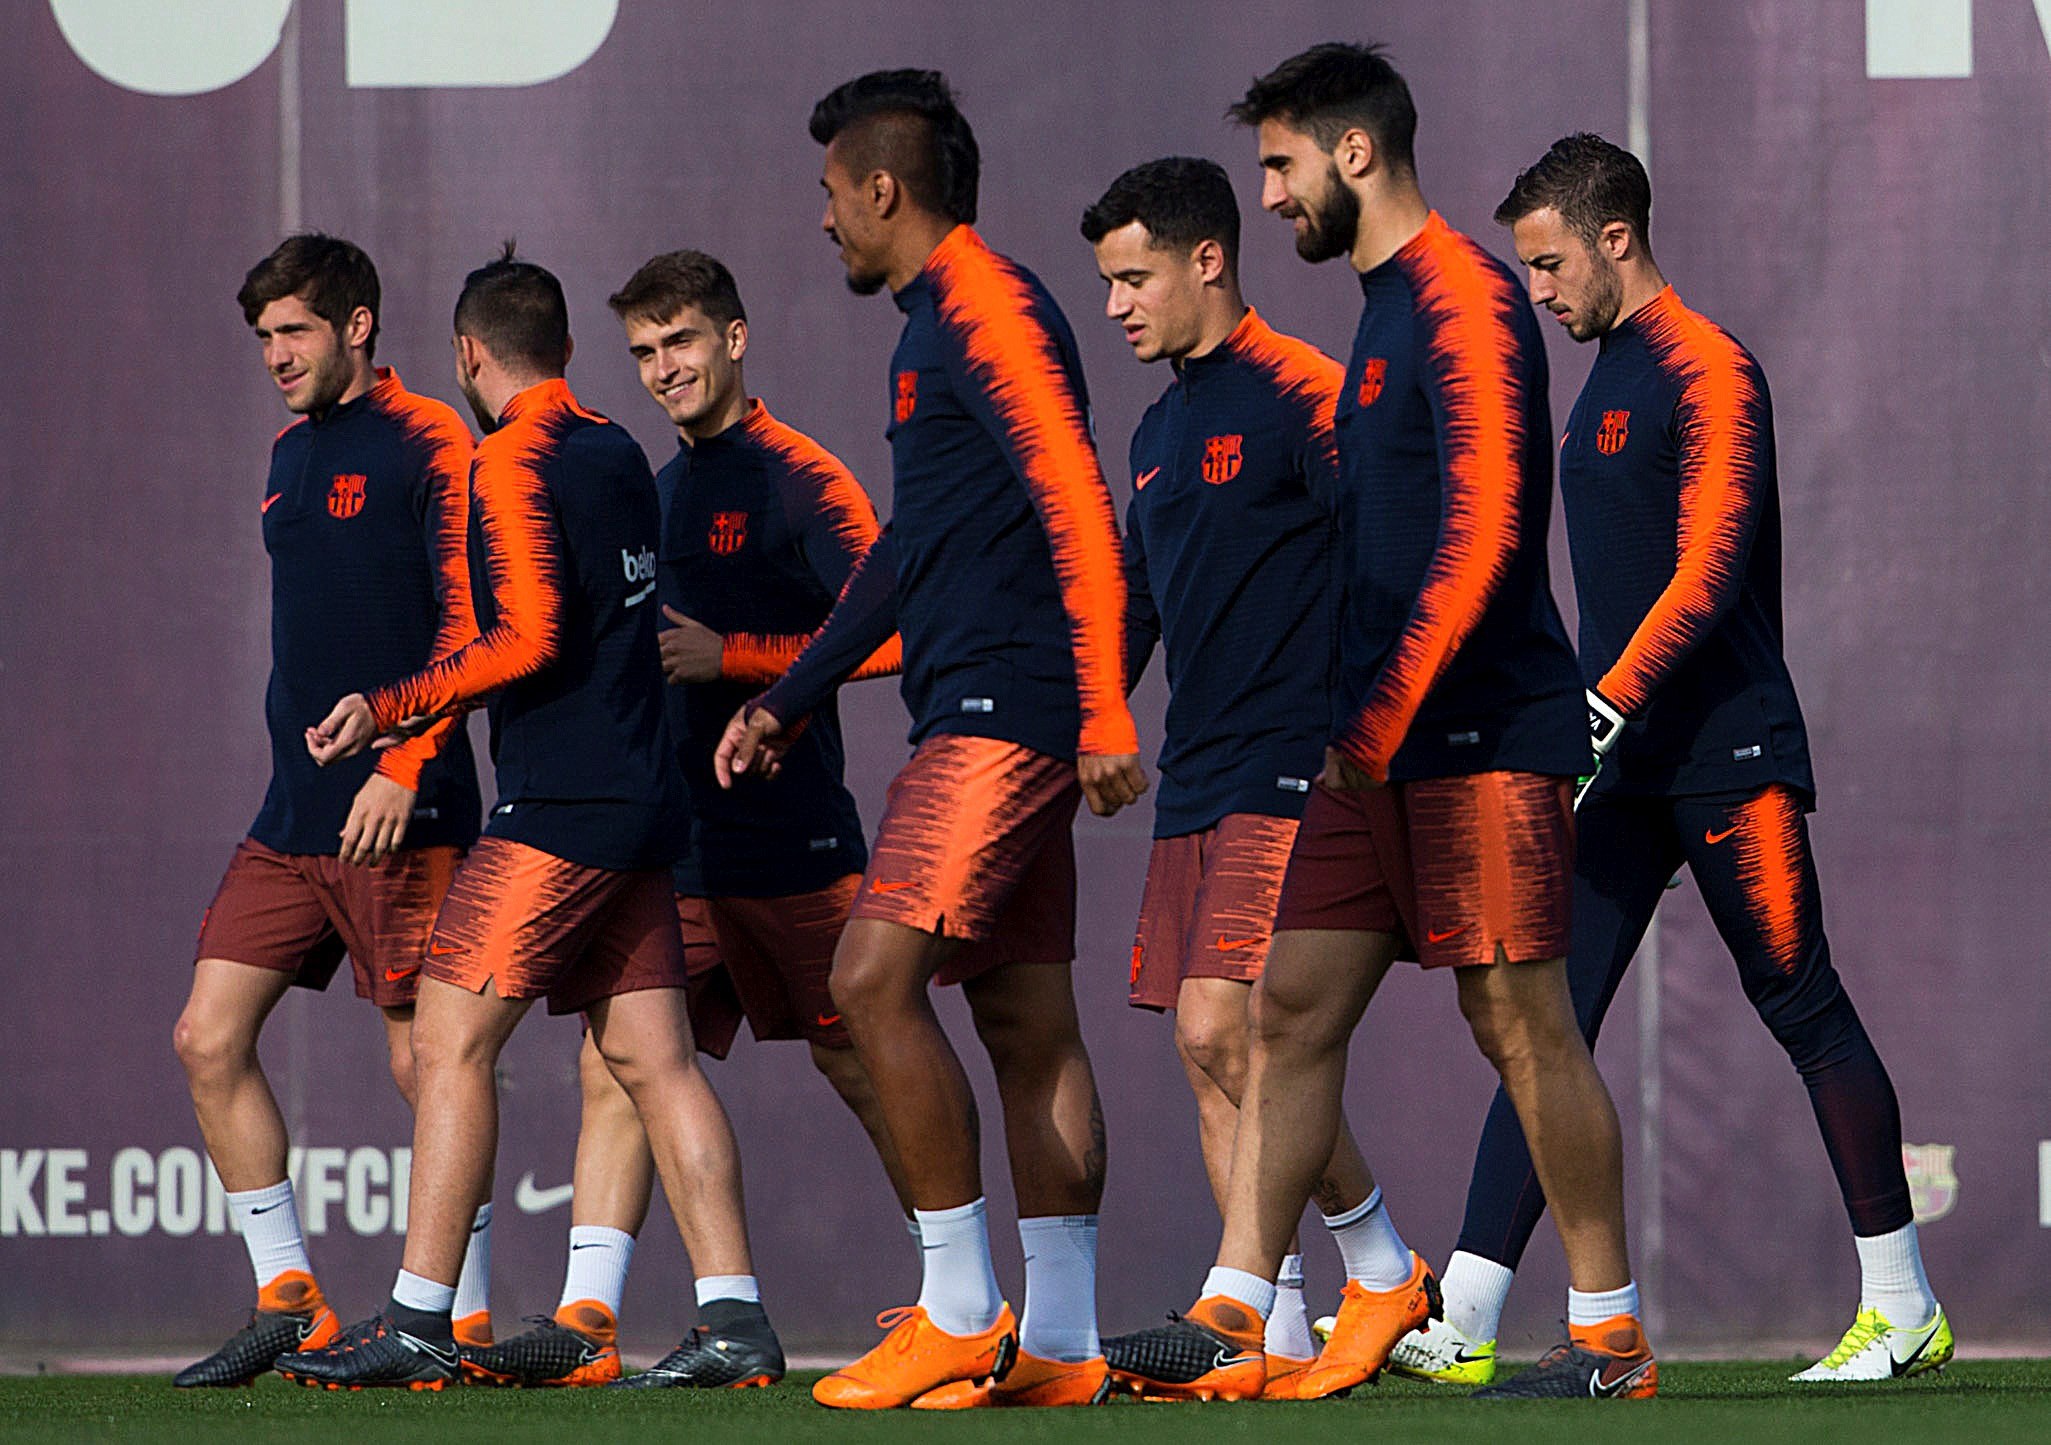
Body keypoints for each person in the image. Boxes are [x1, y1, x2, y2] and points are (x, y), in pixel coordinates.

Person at [1112, 43, 1655, 1403]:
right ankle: (1238, 1308)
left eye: (1280, 168)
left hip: (1472, 732)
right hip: (1369, 747)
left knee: (1518, 1018)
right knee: (1280, 1009)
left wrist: (1383, 708)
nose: (1271, 198)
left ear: (1353, 153)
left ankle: (1608, 1332)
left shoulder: (1465, 297)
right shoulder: (1375, 312)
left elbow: (1481, 536)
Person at [1388, 131, 1949, 1389]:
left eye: (1547, 264)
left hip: (1723, 749)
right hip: (1628, 767)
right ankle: (1465, 1316)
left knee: (1801, 1004)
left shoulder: (1709, 368)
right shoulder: (1605, 375)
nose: (1537, 290)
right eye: (1524, 269)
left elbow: (1706, 574)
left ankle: (1902, 1303)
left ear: (1614, 237)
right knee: (1546, 1020)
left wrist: (1595, 713)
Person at [282, 246, 780, 1391]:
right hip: (646, 798)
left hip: (562, 804)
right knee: (656, 1061)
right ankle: (736, 1318)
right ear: (564, 348)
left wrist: (391, 705)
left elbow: (531, 637)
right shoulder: (614, 447)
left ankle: (417, 1319)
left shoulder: (510, 457)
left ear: (466, 354)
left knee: (450, 1038)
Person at [719, 69, 1143, 1410]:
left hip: (1000, 717)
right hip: (997, 705)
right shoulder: (929, 330)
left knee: (865, 976)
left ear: (884, 189)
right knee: (1025, 1020)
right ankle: (1064, 1347)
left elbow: (1077, 496)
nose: (824, 222)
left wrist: (1105, 709)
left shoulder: (986, 304)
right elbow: (915, 548)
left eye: (831, 196)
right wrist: (790, 697)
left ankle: (959, 1308)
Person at [460, 249, 912, 1388]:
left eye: (683, 343)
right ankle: (587, 1320)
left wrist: (740, 660)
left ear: (736, 337)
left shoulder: (800, 475)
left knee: (862, 1064)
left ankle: (957, 1292)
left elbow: (899, 631)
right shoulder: (651, 489)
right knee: (614, 1065)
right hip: (674, 842)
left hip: (794, 839)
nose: (665, 368)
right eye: (645, 352)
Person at [1075, 156, 1378, 1400]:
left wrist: (1358, 726)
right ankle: (1286, 1328)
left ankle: (1334, 1282)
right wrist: (1097, 720)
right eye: (1104, 283)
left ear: (1208, 260)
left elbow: (1384, 559)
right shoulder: (1152, 429)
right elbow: (1134, 601)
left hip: (1289, 766)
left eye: (1132, 276)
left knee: (1227, 1025)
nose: (1115, 306)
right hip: (1195, 771)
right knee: (1211, 1055)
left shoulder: (1307, 390)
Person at [172, 233, 492, 1387]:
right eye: (263, 336)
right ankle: (291, 1295)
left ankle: (458, 1316)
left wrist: (408, 763)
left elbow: (473, 631)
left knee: (429, 1063)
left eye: (294, 330)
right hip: (292, 814)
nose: (275, 354)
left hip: (404, 804)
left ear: (357, 324)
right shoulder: (285, 454)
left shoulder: (433, 442)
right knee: (207, 1037)